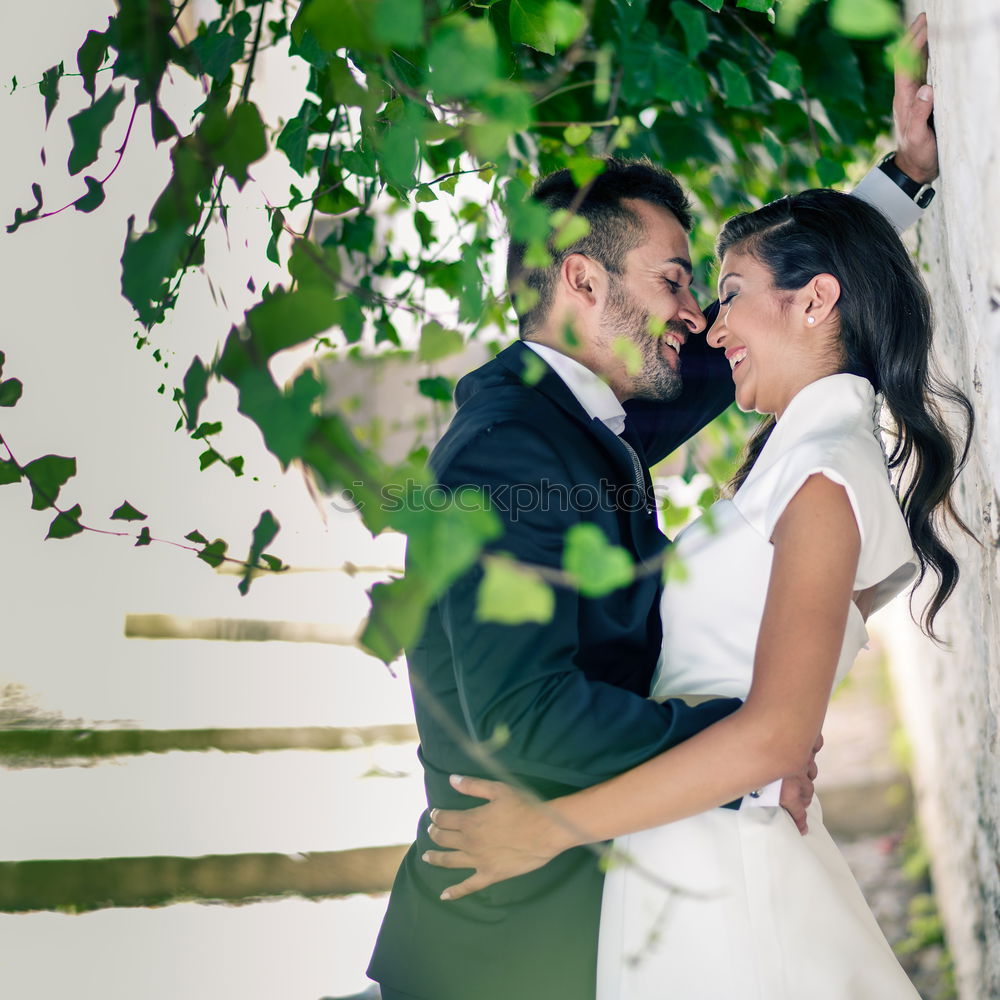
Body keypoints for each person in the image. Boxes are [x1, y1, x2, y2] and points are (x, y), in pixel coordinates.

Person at [367, 16, 941, 998]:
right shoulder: (513, 450)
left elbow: (791, 317)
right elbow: (523, 720)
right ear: (583, 280)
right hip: (506, 940)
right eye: (676, 280)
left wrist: (898, 180)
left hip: (605, 904)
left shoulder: (585, 422)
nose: (694, 312)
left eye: (700, 286)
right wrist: (745, 743)